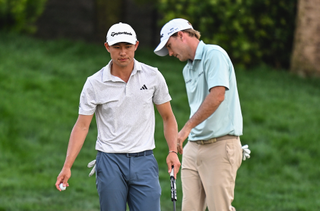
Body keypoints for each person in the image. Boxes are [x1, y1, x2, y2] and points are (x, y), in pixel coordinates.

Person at [55, 22, 181, 211]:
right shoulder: (94, 83)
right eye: (117, 47)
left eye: (128, 47)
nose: (123, 52)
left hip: (145, 160)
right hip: (110, 162)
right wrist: (67, 166)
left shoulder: (153, 76)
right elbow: (82, 126)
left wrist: (172, 150)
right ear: (107, 47)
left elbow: (168, 117)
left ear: (136, 45)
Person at [154, 18, 244, 211]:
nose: (170, 53)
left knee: (219, 208)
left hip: (220, 145)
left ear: (182, 35)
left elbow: (217, 95)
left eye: (170, 46)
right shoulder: (188, 69)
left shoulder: (215, 55)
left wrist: (186, 128)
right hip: (193, 147)